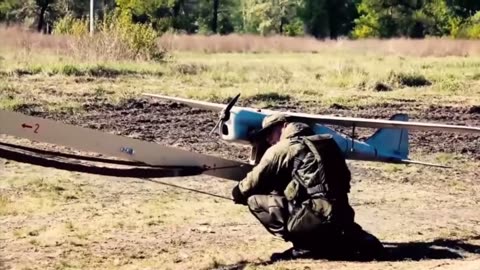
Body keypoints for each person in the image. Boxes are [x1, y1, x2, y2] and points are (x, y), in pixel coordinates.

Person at [231, 113, 384, 261]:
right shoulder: (326, 143)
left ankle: (306, 246)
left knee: (254, 201)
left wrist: (237, 193)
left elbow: (254, 181)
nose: (268, 139)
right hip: (343, 214)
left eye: (270, 132)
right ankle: (352, 240)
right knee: (356, 239)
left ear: (284, 126)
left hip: (316, 216)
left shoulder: (285, 147)